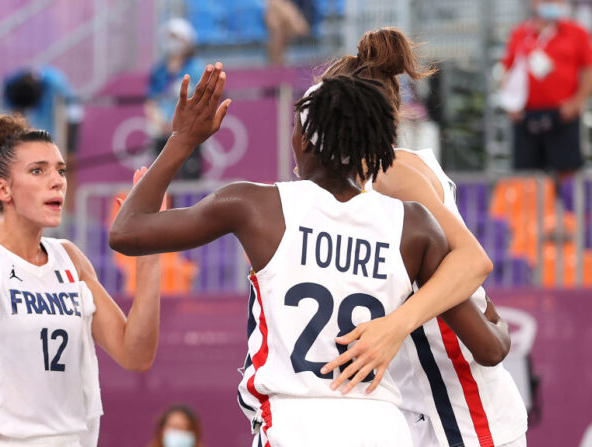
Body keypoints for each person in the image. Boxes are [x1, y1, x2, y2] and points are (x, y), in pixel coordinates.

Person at [111, 63, 491, 445]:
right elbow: (490, 348)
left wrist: (181, 138)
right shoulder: (414, 224)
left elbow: (127, 231)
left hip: (295, 422)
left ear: (306, 140)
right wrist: (490, 318)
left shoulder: (256, 204)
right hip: (382, 428)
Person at [323, 27, 528, 447]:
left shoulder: (389, 172)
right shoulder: (363, 179)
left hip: (462, 410)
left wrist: (395, 326)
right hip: (418, 405)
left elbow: (474, 261)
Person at [0, 115, 161, 446]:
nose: (57, 181)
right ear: (2, 188)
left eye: (60, 170)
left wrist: (152, 249)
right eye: (38, 171)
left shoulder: (70, 258)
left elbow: (136, 353)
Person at [501, 0, 592, 182]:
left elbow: (590, 72)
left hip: (563, 115)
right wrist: (510, 104)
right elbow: (507, 70)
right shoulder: (520, 34)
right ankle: (535, 210)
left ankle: (567, 210)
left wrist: (576, 103)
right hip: (525, 115)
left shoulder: (577, 32)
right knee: (526, 177)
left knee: (567, 173)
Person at [144, 18, 205, 180]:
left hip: (188, 134)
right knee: (161, 180)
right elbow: (150, 101)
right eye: (169, 37)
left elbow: (199, 102)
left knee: (190, 179)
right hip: (161, 133)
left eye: (176, 37)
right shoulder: (158, 70)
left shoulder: (196, 69)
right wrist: (161, 123)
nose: (171, 42)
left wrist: (178, 124)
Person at [3, 66, 82, 158]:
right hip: (41, 125)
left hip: (62, 122)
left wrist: (68, 148)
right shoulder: (12, 85)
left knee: (67, 156)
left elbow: (72, 116)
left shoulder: (55, 84)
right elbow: (16, 114)